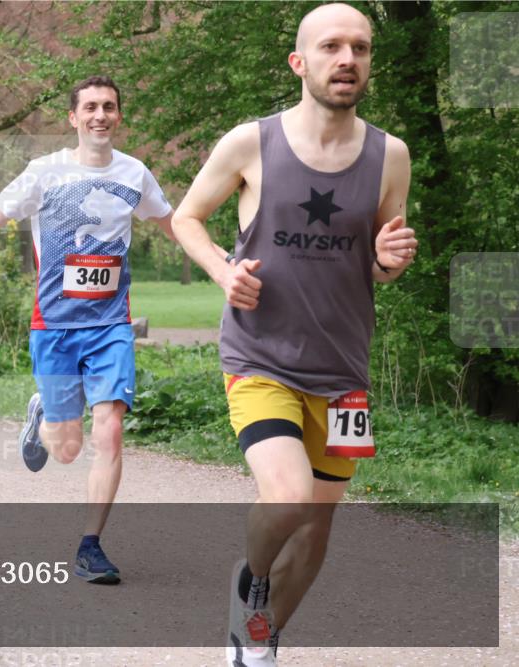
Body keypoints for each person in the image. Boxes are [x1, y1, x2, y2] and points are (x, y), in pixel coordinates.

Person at [169, 4, 417, 665]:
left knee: (317, 527)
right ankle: (249, 580)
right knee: (287, 497)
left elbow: (377, 263)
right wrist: (224, 272)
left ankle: (260, 630)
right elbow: (186, 218)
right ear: (299, 62)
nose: (348, 59)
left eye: (360, 48)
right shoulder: (251, 142)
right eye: (332, 46)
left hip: (343, 374)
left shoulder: (391, 155)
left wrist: (388, 263)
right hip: (261, 357)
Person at [0, 76, 174, 584]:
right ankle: (43, 411)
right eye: (90, 107)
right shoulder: (43, 173)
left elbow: (175, 224)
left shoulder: (135, 174)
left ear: (118, 117)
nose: (100, 115)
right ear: (72, 119)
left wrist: (227, 263)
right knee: (67, 449)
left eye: (109, 107)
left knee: (110, 432)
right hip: (54, 327)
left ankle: (91, 545)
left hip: (111, 325)